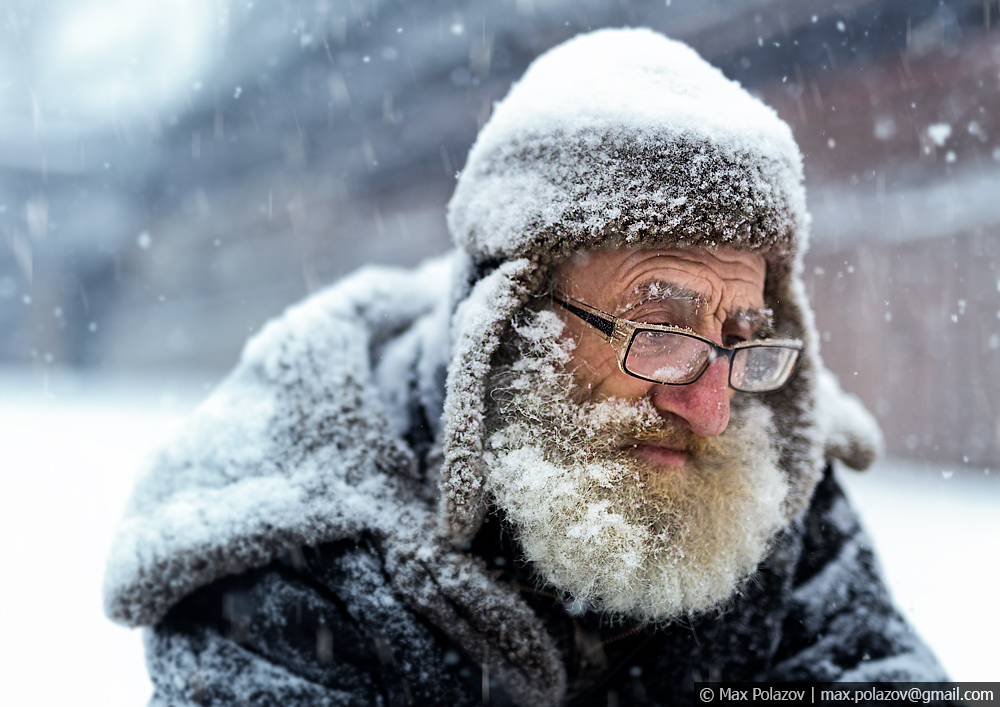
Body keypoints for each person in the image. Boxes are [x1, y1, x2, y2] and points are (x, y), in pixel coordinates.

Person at [104, 28, 948, 706]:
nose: (711, 407)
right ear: (503, 326)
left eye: (738, 338)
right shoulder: (287, 549)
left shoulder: (762, 487)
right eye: (661, 326)